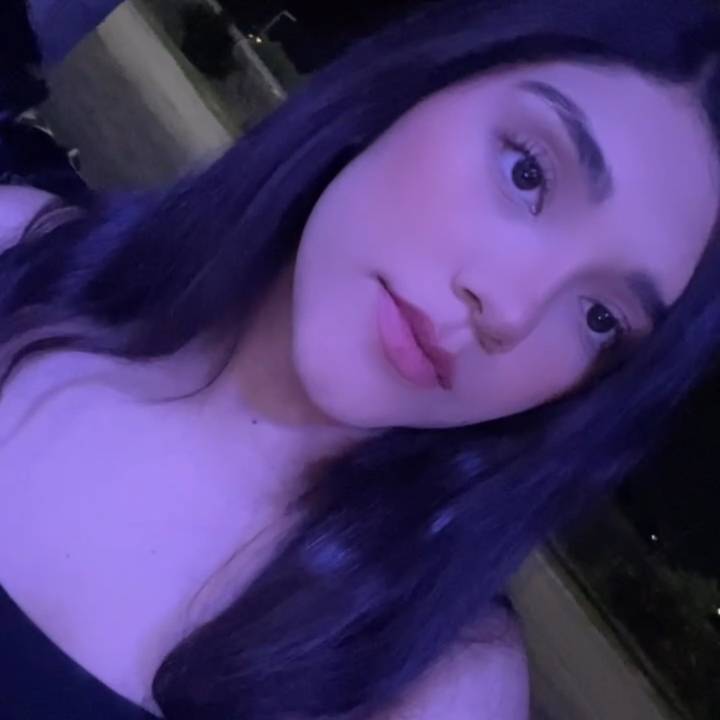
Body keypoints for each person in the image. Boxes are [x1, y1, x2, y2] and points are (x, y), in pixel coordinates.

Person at [1, 0, 720, 718]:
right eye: (527, 172)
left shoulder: (437, 689)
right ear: (419, 80)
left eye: (600, 318)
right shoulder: (16, 252)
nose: (510, 310)